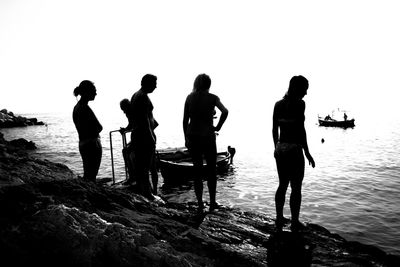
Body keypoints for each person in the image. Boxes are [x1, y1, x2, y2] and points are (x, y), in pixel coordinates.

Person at [272, 75, 315, 231]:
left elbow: (274, 129)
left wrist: (275, 147)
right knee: (296, 187)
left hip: (281, 148)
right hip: (294, 149)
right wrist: (307, 152)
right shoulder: (300, 104)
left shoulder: (278, 105)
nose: (306, 93)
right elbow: (300, 130)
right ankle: (294, 221)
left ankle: (279, 218)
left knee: (282, 184)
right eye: (305, 90)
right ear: (298, 89)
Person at [183, 74, 229, 212]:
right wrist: (218, 127)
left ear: (196, 83)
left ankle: (200, 203)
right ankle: (213, 202)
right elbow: (225, 111)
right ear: (209, 84)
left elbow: (185, 120)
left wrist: (186, 138)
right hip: (208, 136)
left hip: (193, 136)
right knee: (211, 170)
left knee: (197, 171)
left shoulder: (189, 97)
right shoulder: (213, 98)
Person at [120, 98, 159, 194]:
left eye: (125, 109)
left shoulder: (137, 112)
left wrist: (145, 131)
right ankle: (133, 177)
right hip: (138, 139)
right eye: (123, 110)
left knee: (151, 166)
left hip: (147, 139)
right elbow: (131, 125)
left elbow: (154, 124)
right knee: (126, 152)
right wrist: (125, 129)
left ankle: (154, 190)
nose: (124, 112)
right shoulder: (129, 114)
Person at [129, 74, 158, 199]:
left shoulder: (136, 95)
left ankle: (145, 192)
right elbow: (144, 120)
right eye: (154, 83)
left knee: (141, 166)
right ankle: (148, 194)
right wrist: (151, 137)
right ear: (148, 83)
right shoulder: (142, 97)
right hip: (144, 136)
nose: (156, 86)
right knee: (145, 166)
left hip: (138, 134)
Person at [73, 80, 103, 182]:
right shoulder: (84, 108)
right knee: (91, 176)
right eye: (94, 90)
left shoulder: (76, 108)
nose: (96, 93)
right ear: (87, 91)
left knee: (88, 174)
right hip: (92, 145)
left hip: (83, 143)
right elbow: (99, 127)